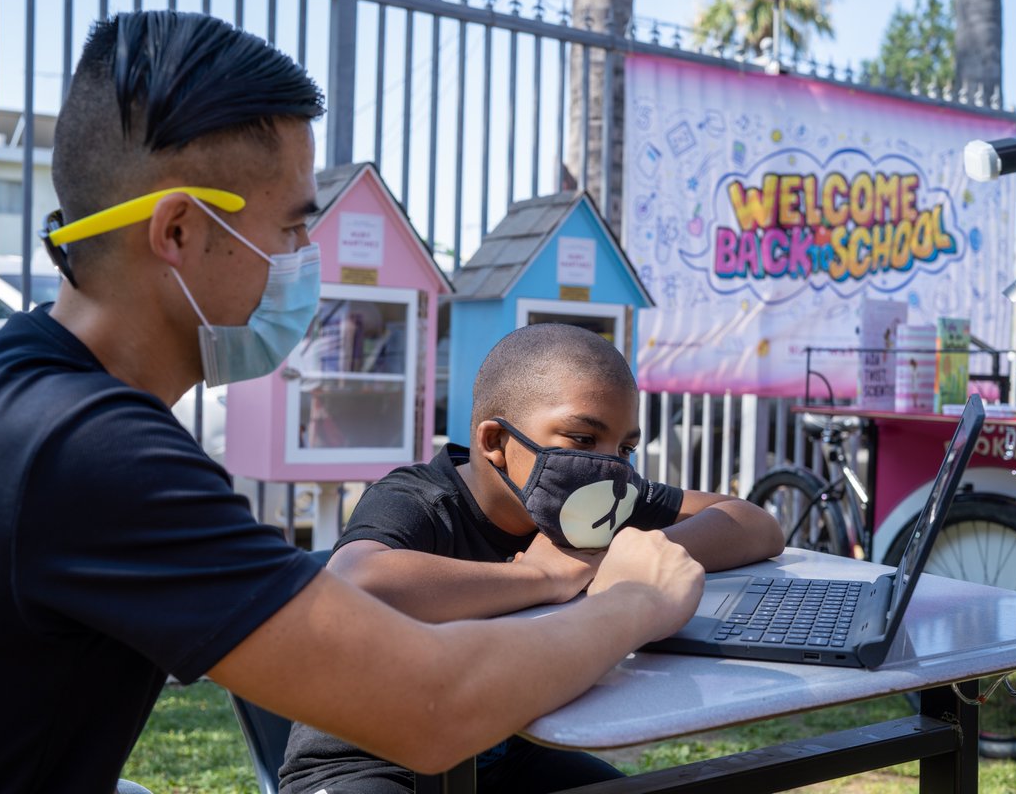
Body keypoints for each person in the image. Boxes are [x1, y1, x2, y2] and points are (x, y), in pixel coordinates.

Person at [0, 11, 707, 793]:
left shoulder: (8, 378)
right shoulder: (88, 447)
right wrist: (632, 603)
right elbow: (432, 708)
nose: (302, 260)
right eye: (290, 227)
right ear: (179, 230)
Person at [280, 323, 785, 793]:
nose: (608, 466)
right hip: (369, 764)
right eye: (583, 439)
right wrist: (539, 574)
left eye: (625, 449)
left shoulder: (608, 498)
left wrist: (638, 555)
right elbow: (356, 582)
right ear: (496, 442)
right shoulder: (418, 499)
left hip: (504, 758)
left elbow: (754, 523)